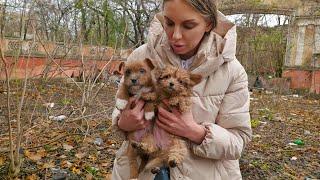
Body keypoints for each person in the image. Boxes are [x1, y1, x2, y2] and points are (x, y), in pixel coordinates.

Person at [111, 0, 252, 179]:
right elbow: (118, 109)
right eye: (169, 23)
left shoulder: (232, 71)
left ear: (208, 23)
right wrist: (123, 122)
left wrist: (195, 131)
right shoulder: (141, 56)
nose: (175, 35)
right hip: (139, 171)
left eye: (188, 25)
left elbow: (238, 141)